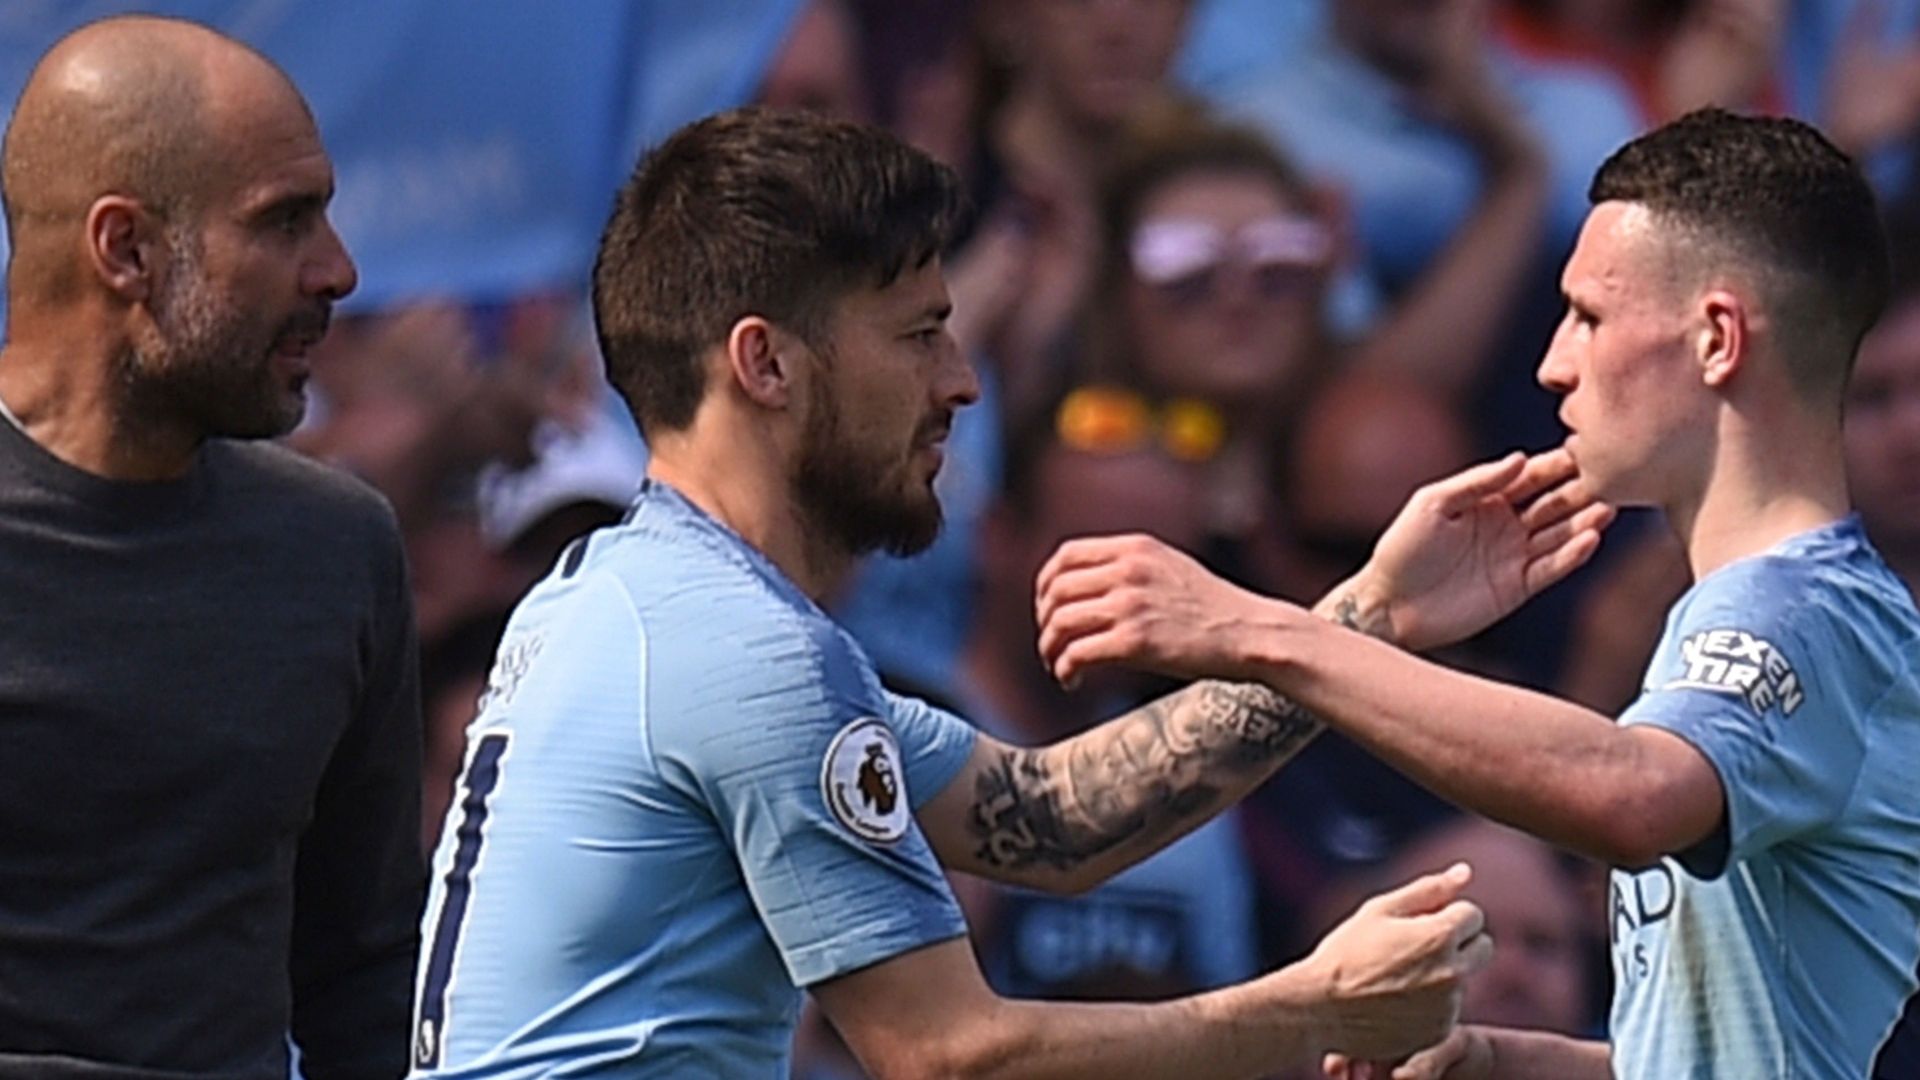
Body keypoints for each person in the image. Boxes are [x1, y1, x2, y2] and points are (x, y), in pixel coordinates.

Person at [400, 106, 1631, 1079]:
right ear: (765, 363)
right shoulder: (740, 653)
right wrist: (1313, 1006)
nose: (963, 382)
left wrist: (1370, 618)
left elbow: (1053, 812)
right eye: (919, 333)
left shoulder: (635, 598)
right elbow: (946, 1057)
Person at [1034, 108, 1920, 1078]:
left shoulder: (1799, 609)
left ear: (1716, 339)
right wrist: (1515, 1063)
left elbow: (1631, 794)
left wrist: (1257, 629)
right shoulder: (1770, 616)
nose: (1554, 363)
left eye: (1588, 316)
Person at [0, 14, 422, 1080]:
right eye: (285, 222)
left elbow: (368, 976)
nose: (338, 271)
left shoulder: (338, 550)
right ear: (125, 248)